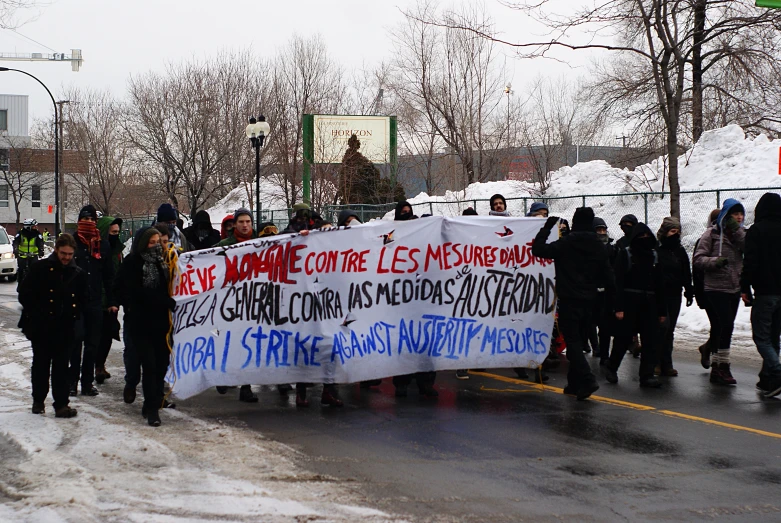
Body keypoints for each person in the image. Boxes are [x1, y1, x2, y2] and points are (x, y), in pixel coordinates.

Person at [531, 208, 614, 400]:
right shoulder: (598, 245)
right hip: (591, 300)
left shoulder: (567, 243)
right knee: (578, 339)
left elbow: (539, 249)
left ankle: (587, 378)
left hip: (569, 299)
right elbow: (608, 275)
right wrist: (612, 299)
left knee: (573, 341)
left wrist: (547, 227)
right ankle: (574, 384)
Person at [112, 227, 175, 427]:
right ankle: (152, 409)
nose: (157, 245)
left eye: (159, 242)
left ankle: (153, 401)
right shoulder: (132, 264)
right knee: (149, 365)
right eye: (152, 242)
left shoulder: (163, 263)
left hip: (161, 323)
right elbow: (134, 292)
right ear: (142, 243)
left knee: (161, 365)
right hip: (140, 323)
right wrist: (165, 301)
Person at [19, 234, 86, 418]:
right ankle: (38, 401)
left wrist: (76, 318)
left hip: (65, 327)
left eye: (70, 254)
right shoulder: (39, 268)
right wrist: (37, 313)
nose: (66, 257)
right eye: (63, 253)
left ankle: (61, 404)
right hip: (42, 326)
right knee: (41, 365)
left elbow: (82, 299)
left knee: (62, 368)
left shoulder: (77, 273)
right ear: (56, 250)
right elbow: (24, 294)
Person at [603, 223, 666, 388]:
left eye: (647, 237)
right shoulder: (626, 255)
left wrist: (662, 311)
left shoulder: (654, 257)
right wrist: (619, 307)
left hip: (650, 304)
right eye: (641, 237)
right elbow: (618, 282)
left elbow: (660, 285)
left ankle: (647, 375)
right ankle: (611, 367)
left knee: (650, 341)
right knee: (622, 339)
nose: (644, 240)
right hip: (630, 303)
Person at [693, 198, 745, 386]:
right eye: (735, 214)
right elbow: (698, 259)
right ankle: (723, 367)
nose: (739, 217)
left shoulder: (741, 234)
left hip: (734, 287)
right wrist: (715, 262)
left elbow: (748, 248)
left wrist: (737, 230)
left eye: (741, 214)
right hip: (715, 288)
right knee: (725, 325)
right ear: (726, 215)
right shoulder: (711, 234)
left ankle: (717, 366)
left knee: (724, 326)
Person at [391, 200, 438, 397]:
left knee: (426, 344)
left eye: (409, 212)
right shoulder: (391, 235)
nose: (406, 215)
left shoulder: (422, 235)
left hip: (423, 299)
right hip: (401, 300)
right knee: (404, 343)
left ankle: (425, 383)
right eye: (403, 213)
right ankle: (401, 382)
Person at [69, 205, 116, 397]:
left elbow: (109, 276)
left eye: (91, 219)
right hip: (75, 302)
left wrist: (112, 301)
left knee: (92, 344)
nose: (88, 222)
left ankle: (87, 383)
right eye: (84, 219)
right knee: (75, 343)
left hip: (95, 301)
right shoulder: (72, 242)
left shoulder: (102, 245)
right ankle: (72, 382)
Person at [741, 193, 781, 397]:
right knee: (774, 337)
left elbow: (750, 262)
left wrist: (745, 287)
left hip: (764, 292)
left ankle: (777, 372)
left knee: (761, 337)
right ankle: (768, 380)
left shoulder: (757, 231)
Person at [655, 217, 694, 377]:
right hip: (660, 295)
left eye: (678, 232)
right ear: (665, 232)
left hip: (675, 294)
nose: (675, 235)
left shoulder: (679, 251)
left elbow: (686, 271)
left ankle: (667, 362)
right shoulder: (658, 251)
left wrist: (689, 290)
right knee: (661, 327)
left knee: (670, 330)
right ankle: (655, 361)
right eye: (672, 231)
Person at [95, 216, 125, 385]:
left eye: (117, 232)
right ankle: (96, 366)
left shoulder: (117, 251)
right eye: (113, 232)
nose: (116, 235)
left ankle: (100, 365)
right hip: (100, 299)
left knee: (108, 334)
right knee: (98, 336)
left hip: (112, 299)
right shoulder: (98, 250)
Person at [591, 217, 614, 364]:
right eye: (598, 230)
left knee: (605, 326)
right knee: (590, 322)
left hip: (607, 291)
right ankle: (595, 347)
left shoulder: (612, 248)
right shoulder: (588, 248)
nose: (601, 232)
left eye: (603, 229)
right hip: (591, 291)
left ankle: (604, 355)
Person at [13, 218, 44, 286]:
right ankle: (20, 284)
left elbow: (40, 243)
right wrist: (16, 249)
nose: (36, 227)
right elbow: (16, 242)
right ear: (28, 227)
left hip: (33, 256)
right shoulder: (20, 234)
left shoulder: (37, 234)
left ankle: (35, 285)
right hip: (22, 255)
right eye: (34, 226)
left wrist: (41, 250)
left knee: (35, 270)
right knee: (21, 269)